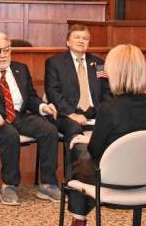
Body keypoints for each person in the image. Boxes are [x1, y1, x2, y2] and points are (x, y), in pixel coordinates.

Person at [65, 44, 146, 226]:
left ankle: (79, 218)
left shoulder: (109, 107)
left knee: (79, 152)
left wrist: (87, 140)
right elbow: (134, 139)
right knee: (84, 151)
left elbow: (95, 151)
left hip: (113, 180)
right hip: (143, 176)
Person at [0, 32, 60, 206]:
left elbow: (31, 97)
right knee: (10, 134)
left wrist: (43, 107)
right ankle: (9, 185)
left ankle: (47, 183)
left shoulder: (21, 69)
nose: (3, 55)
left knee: (49, 130)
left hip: (19, 115)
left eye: (6, 50)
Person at [44, 24, 111, 169]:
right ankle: (74, 180)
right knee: (74, 129)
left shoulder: (98, 64)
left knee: (113, 126)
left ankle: (104, 175)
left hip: (95, 113)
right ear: (67, 42)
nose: (81, 41)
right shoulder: (54, 63)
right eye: (77, 37)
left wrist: (105, 111)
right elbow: (52, 93)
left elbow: (106, 91)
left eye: (85, 38)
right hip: (66, 115)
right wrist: (71, 114)